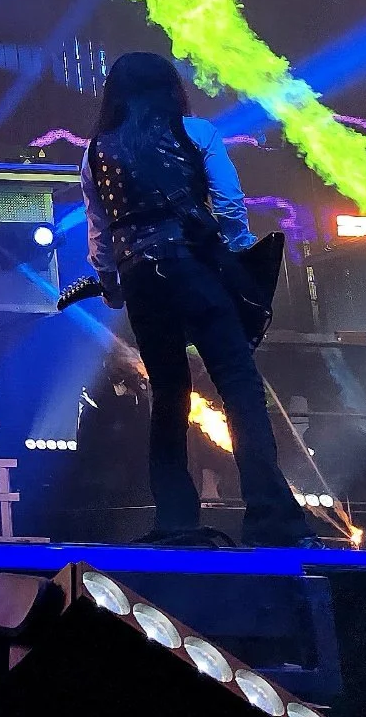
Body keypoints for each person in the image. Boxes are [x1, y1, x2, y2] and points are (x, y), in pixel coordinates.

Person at [80, 51, 310, 547]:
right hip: (196, 270)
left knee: (168, 393)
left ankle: (176, 520)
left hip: (141, 282)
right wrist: (237, 257)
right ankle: (271, 516)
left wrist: (113, 283)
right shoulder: (197, 133)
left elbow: (100, 230)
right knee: (239, 386)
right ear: (170, 88)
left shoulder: (96, 151)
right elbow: (228, 203)